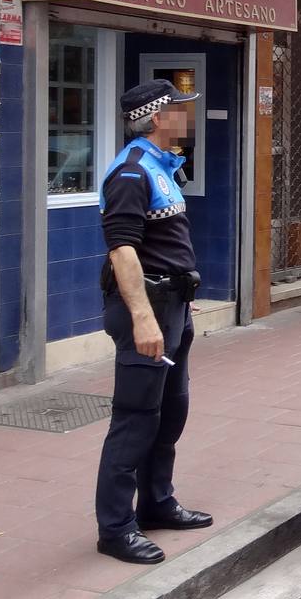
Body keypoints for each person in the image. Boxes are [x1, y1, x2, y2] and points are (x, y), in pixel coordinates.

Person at [95, 80, 212, 565]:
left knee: (170, 413)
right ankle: (116, 528)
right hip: (147, 310)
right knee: (136, 420)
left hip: (173, 307)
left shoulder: (164, 166)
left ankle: (157, 503)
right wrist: (145, 321)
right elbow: (122, 250)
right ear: (157, 117)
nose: (189, 116)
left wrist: (179, 305)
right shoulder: (130, 172)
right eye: (182, 109)